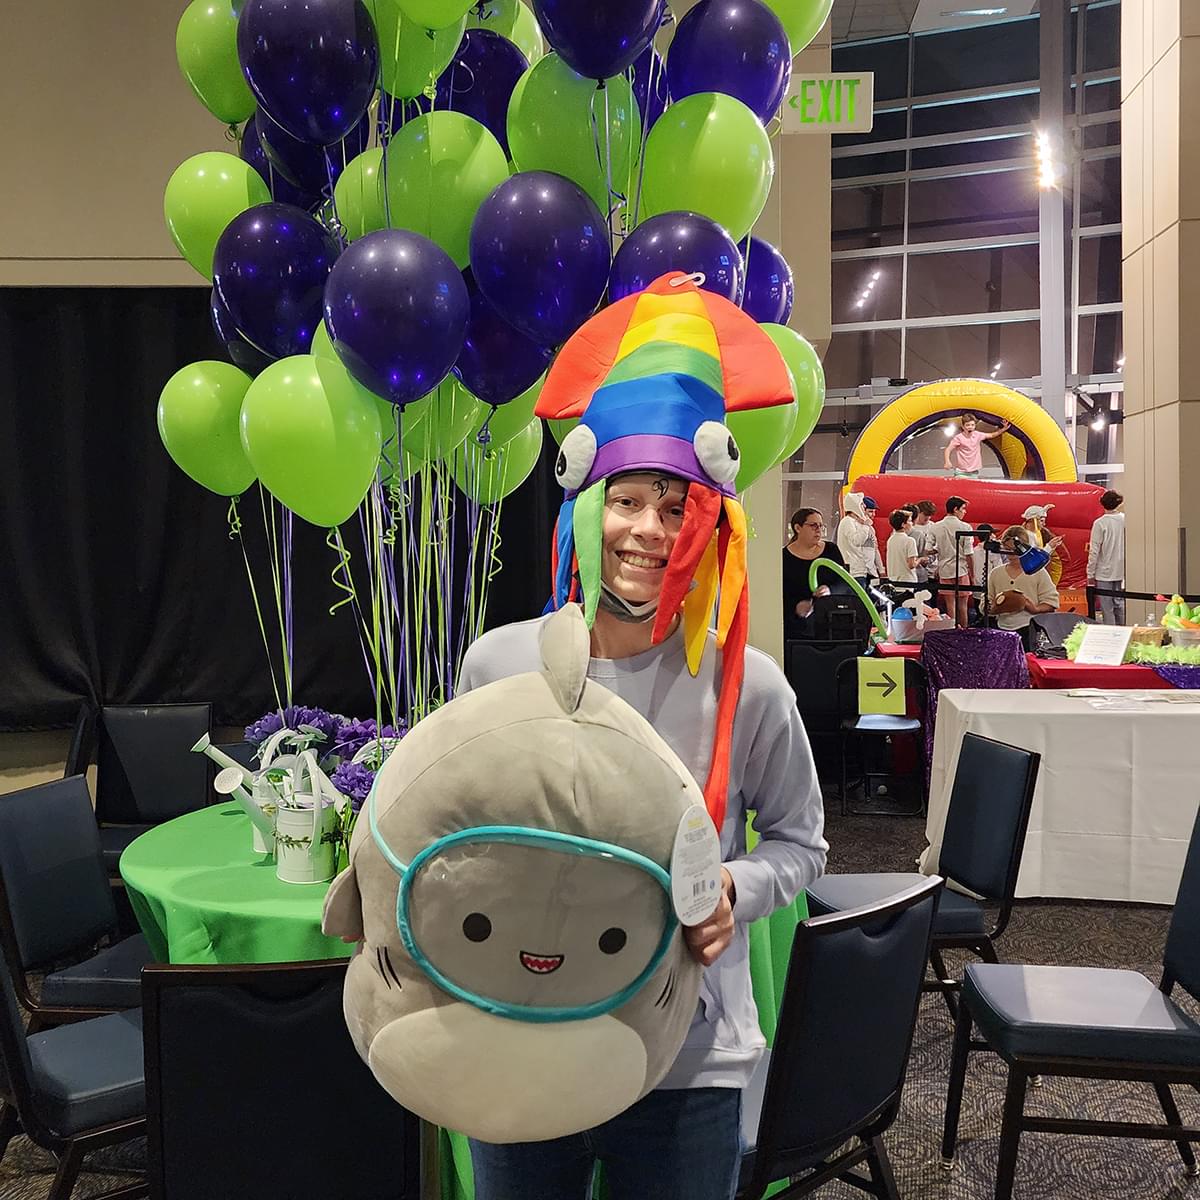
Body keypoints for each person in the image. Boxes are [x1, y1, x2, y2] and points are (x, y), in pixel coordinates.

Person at [458, 273, 827, 1200]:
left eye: (675, 504)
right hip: (523, 1031)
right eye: (628, 501)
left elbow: (801, 845)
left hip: (686, 1058)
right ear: (587, 506)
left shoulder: (753, 690)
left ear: (709, 520)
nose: (648, 531)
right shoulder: (500, 667)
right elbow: (455, 824)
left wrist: (734, 890)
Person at [987, 525, 1059, 646]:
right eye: (1007, 548)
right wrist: (994, 607)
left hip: (1029, 630)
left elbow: (1051, 603)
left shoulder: (1038, 572)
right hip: (1002, 631)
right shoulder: (996, 573)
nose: (1010, 553)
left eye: (1015, 549)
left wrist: (1034, 609)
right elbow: (987, 601)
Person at [782, 508, 845, 639]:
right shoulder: (784, 557)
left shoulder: (831, 550)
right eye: (813, 525)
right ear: (798, 528)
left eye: (821, 525)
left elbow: (845, 582)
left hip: (832, 623)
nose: (818, 529)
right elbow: (782, 593)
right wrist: (796, 607)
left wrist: (830, 589)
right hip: (797, 628)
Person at [931, 495, 974, 627]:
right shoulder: (966, 527)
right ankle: (964, 632)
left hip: (944, 569)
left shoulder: (936, 526)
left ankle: (952, 630)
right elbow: (969, 554)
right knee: (963, 606)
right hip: (961, 569)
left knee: (950, 606)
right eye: (963, 509)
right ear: (956, 509)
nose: (964, 512)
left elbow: (929, 548)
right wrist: (972, 573)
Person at [1087, 489, 1126, 624]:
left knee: (1106, 607)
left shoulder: (1100, 523)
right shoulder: (1125, 520)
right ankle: (1124, 631)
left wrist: (1090, 573)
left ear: (1102, 504)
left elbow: (1094, 550)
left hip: (1104, 571)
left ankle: (1111, 635)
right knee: (1120, 603)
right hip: (1122, 569)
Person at [836, 492, 882, 590]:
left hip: (867, 571)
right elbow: (857, 541)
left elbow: (874, 548)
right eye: (862, 505)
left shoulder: (862, 524)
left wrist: (880, 569)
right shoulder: (847, 521)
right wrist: (866, 526)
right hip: (854, 572)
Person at [943, 411, 1009, 478]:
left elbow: (991, 435)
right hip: (961, 471)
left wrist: (1003, 429)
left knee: (972, 487)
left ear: (975, 426)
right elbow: (948, 449)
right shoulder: (959, 438)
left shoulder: (977, 435)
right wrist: (947, 461)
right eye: (967, 425)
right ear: (963, 426)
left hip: (974, 471)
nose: (970, 427)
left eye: (972, 425)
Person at [885, 508, 919, 605]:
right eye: (909, 521)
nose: (911, 523)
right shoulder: (910, 541)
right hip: (907, 583)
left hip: (894, 581)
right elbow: (911, 564)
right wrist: (920, 560)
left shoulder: (890, 540)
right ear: (903, 525)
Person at [911, 499, 939, 587]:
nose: (928, 517)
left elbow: (938, 547)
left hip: (932, 570)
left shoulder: (934, 527)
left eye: (930, 515)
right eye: (925, 515)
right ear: (918, 512)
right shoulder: (911, 527)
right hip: (915, 569)